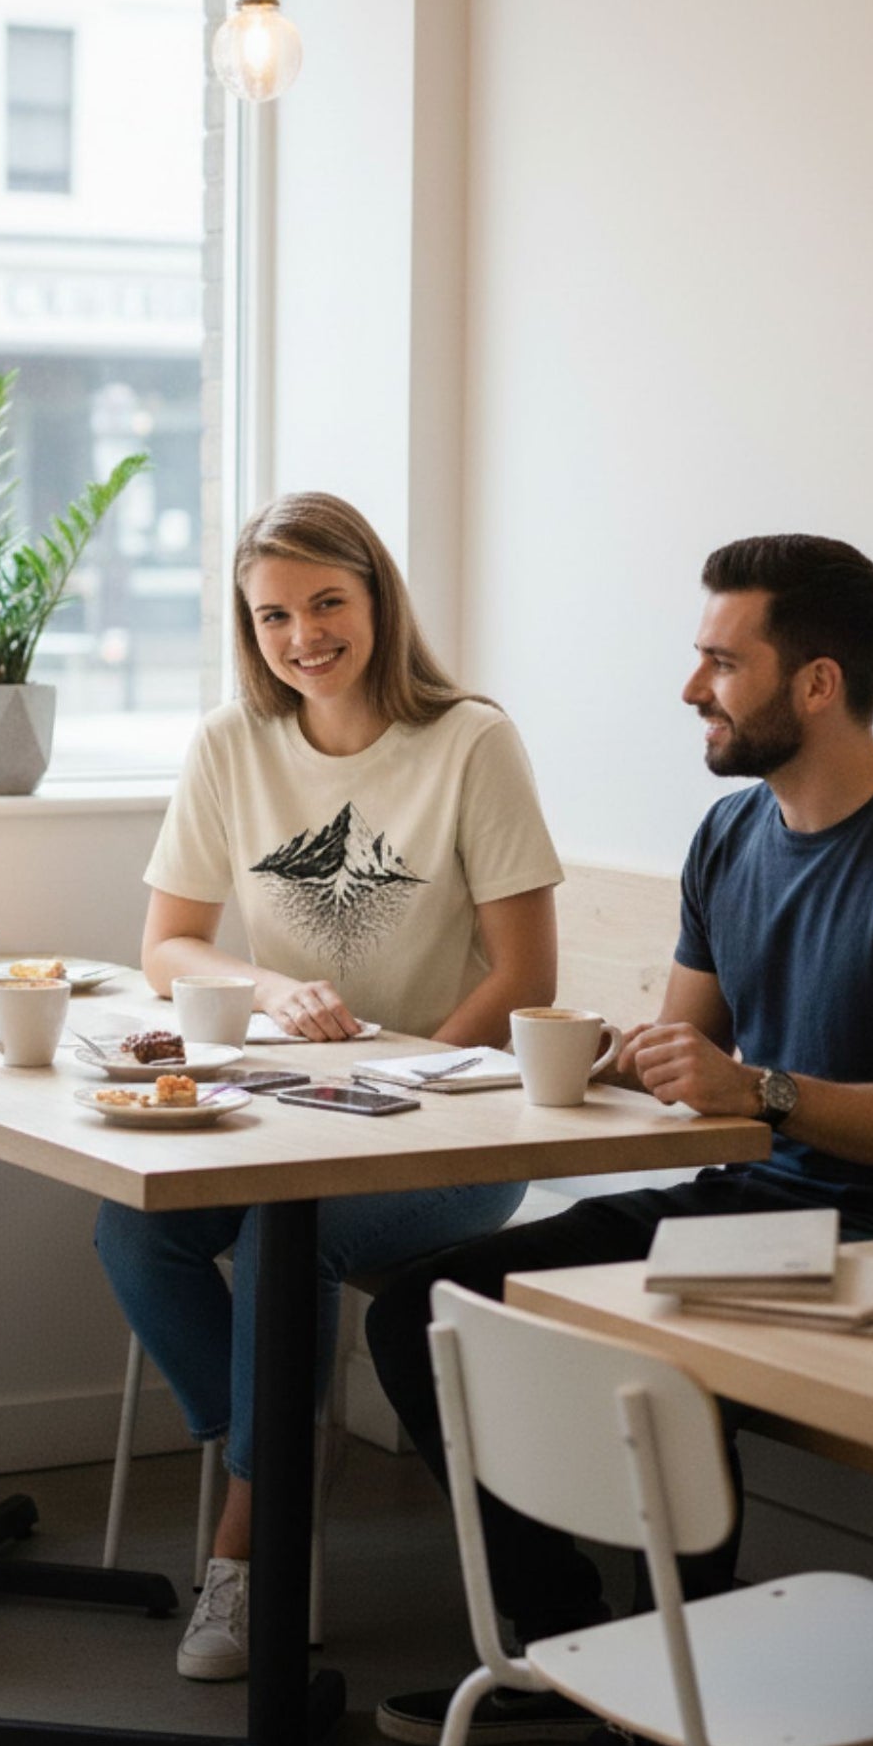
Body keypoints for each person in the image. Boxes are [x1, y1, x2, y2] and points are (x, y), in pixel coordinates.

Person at [365, 533, 873, 1746]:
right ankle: (574, 1645)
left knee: (649, 1350)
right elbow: (698, 1049)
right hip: (749, 1203)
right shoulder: (731, 834)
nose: (691, 688)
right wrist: (628, 1059)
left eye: (721, 661)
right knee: (425, 1312)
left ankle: (684, 1683)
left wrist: (761, 1094)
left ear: (817, 683)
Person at [96, 491, 565, 1681]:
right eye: (271, 615)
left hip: (456, 1131)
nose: (301, 635)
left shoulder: (469, 740)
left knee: (275, 1245)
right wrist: (261, 986)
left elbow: (524, 975)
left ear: (375, 600)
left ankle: (246, 1555)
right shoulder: (228, 744)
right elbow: (165, 946)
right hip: (284, 1109)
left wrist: (405, 1082)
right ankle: (278, 1449)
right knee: (132, 1225)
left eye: (325, 603)